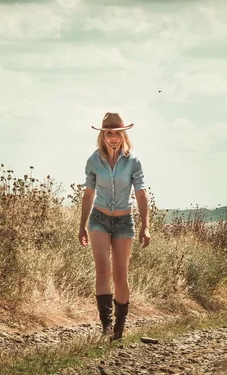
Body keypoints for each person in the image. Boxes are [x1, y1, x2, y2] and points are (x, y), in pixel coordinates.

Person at [78, 112, 151, 341]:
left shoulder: (133, 161)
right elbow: (89, 194)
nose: (113, 138)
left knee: (120, 274)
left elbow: (140, 193)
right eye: (108, 133)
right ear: (103, 135)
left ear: (123, 134)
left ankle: (118, 330)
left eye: (117, 133)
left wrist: (145, 225)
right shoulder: (93, 160)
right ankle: (106, 326)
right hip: (98, 218)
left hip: (123, 220)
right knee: (102, 268)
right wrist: (82, 226)